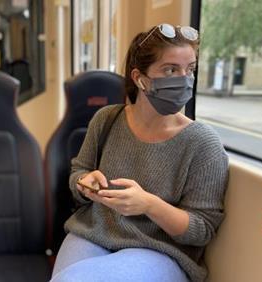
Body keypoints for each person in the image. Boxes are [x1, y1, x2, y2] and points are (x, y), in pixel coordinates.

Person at [50, 24, 229, 282]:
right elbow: (79, 171)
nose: (184, 79)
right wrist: (83, 183)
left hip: (158, 250)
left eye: (189, 69)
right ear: (139, 78)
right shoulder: (106, 119)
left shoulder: (203, 143)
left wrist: (148, 204)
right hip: (92, 232)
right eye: (170, 69)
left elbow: (201, 229)